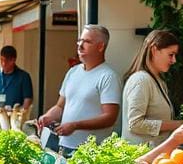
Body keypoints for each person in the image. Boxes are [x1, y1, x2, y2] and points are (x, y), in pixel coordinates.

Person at [35, 26, 122, 156]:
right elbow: (60, 106)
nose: (80, 45)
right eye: (79, 41)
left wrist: (75, 125)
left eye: (87, 41)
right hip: (63, 146)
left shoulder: (108, 76)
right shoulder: (73, 71)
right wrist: (47, 117)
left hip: (91, 152)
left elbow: (110, 118)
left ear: (100, 47)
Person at [122, 29, 183, 148]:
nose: (174, 60)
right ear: (154, 50)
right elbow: (135, 124)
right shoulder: (141, 80)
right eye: (171, 54)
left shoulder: (158, 81)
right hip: (140, 158)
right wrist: (180, 124)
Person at [0, 45, 33, 111]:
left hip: (15, 117)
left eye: (7, 61)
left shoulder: (24, 77)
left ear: (14, 60)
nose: (4, 63)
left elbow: (28, 100)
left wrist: (19, 114)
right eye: (2, 59)